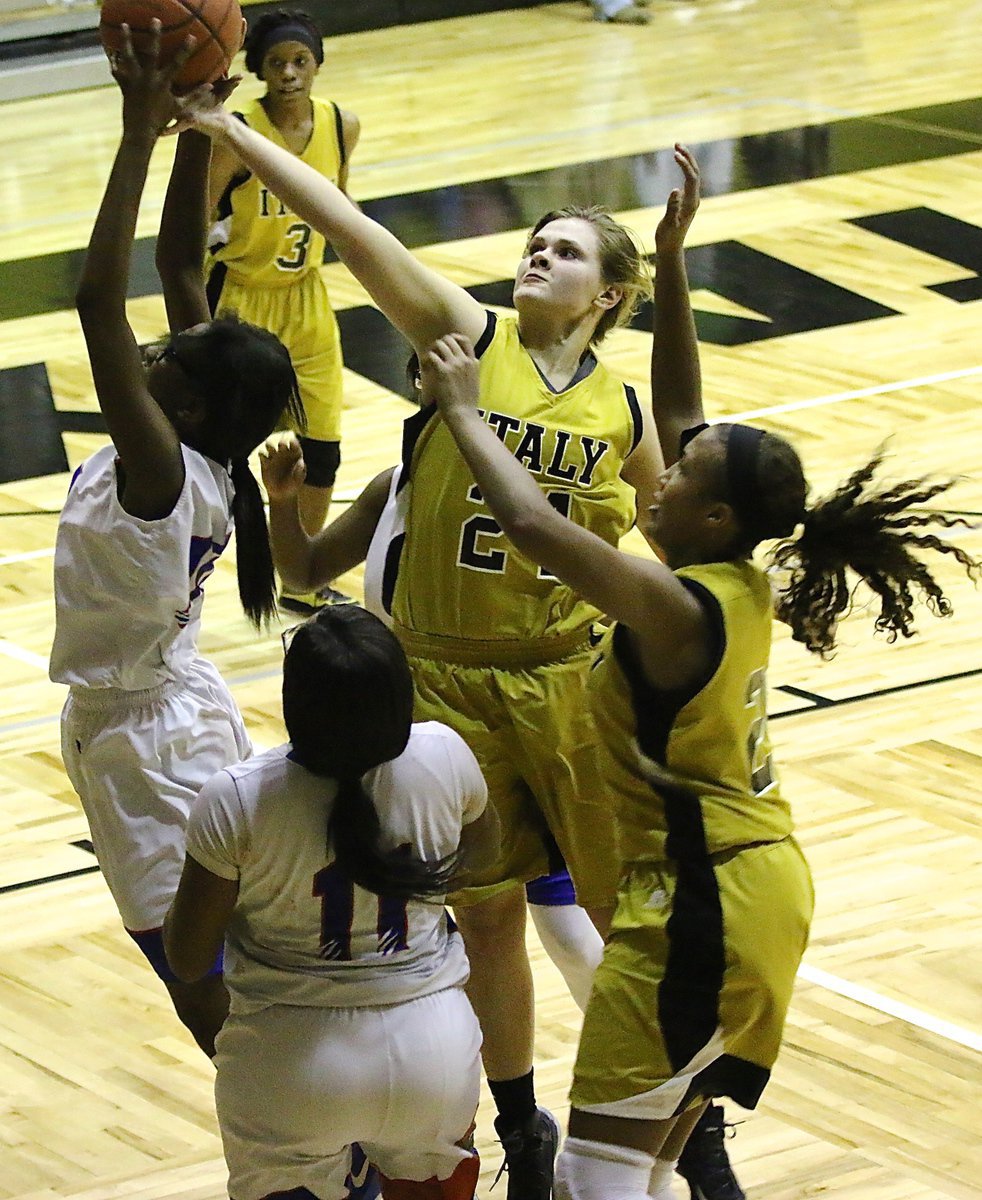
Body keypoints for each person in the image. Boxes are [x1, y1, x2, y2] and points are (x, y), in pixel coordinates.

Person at [177, 86, 669, 1200]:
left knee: (617, 916)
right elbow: (356, 233)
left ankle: (678, 1120)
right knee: (490, 921)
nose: (536, 258)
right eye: (533, 243)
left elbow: (672, 540)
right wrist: (231, 134)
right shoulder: (468, 339)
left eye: (565, 252)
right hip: (448, 682)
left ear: (614, 294)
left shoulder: (625, 414)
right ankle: (521, 1123)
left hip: (566, 680)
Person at [422, 316, 978, 1200]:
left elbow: (528, 522)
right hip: (755, 894)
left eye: (678, 472)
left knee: (593, 1178)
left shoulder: (671, 603)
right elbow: (683, 411)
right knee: (643, 1170)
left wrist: (462, 410)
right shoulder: (740, 577)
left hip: (699, 907)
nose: (661, 470)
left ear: (715, 514)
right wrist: (672, 263)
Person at [48, 29, 304, 1060]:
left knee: (190, 962)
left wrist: (131, 135)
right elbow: (171, 264)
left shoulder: (159, 472)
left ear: (184, 401)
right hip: (165, 709)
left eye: (166, 357)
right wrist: (199, 117)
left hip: (147, 740)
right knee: (234, 943)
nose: (151, 350)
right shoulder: (201, 442)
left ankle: (282, 1109)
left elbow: (98, 300)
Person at [162, 604, 500, 1200]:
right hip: (434, 1048)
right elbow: (484, 855)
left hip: (290, 1062)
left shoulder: (237, 797)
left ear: (297, 704)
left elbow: (188, 960)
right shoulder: (446, 754)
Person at [206, 8, 360, 613]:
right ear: (260, 71)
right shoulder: (239, 133)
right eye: (277, 63)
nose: (291, 73)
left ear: (317, 64)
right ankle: (196, 558)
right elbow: (198, 217)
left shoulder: (341, 125)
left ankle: (300, 572)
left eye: (301, 61)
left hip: (309, 298)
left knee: (322, 447)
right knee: (221, 447)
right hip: (242, 299)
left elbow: (342, 207)